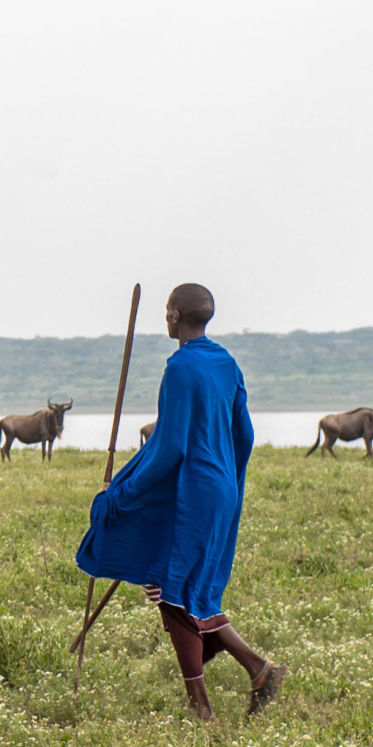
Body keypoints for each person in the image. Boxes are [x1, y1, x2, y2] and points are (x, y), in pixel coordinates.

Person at [75, 283, 286, 722]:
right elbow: (243, 435)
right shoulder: (226, 363)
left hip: (195, 490)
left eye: (167, 311)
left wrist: (122, 492)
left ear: (173, 315)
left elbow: (169, 448)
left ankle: (232, 686)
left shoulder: (179, 369)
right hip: (221, 487)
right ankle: (223, 690)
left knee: (174, 590)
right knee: (184, 590)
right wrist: (228, 473)